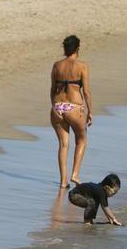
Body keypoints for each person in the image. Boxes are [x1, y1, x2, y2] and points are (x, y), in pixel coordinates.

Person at [50, 35, 93, 188]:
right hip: (74, 107)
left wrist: (54, 107)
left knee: (63, 144)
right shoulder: (82, 66)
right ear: (77, 48)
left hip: (58, 107)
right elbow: (86, 92)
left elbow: (52, 90)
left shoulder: (56, 65)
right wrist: (90, 111)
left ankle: (63, 182)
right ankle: (75, 174)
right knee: (81, 140)